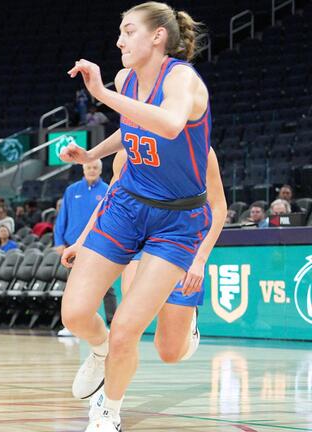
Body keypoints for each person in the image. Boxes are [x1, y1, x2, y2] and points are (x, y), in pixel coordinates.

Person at [60, 3, 212, 430]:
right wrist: (92, 153)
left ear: (157, 37)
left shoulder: (182, 78)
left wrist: (102, 94)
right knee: (74, 314)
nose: (119, 40)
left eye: (128, 31)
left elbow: (167, 124)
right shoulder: (127, 79)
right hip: (127, 204)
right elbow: (131, 127)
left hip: (176, 220)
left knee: (129, 328)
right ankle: (100, 348)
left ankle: (108, 413)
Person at [65, 147, 226, 374]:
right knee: (127, 323)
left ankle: (187, 320)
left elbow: (218, 205)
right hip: (135, 233)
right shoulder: (126, 152)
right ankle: (105, 383)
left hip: (175, 235)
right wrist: (82, 240)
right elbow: (108, 202)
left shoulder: (197, 148)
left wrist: (199, 259)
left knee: (170, 352)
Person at [53, 159, 116, 327]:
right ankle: (71, 325)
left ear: (100, 170)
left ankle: (112, 322)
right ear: (83, 169)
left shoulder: (107, 191)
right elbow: (62, 218)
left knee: (106, 287)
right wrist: (59, 241)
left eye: (95, 167)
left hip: (99, 246)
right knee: (72, 287)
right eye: (89, 167)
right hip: (73, 246)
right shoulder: (72, 190)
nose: (92, 170)